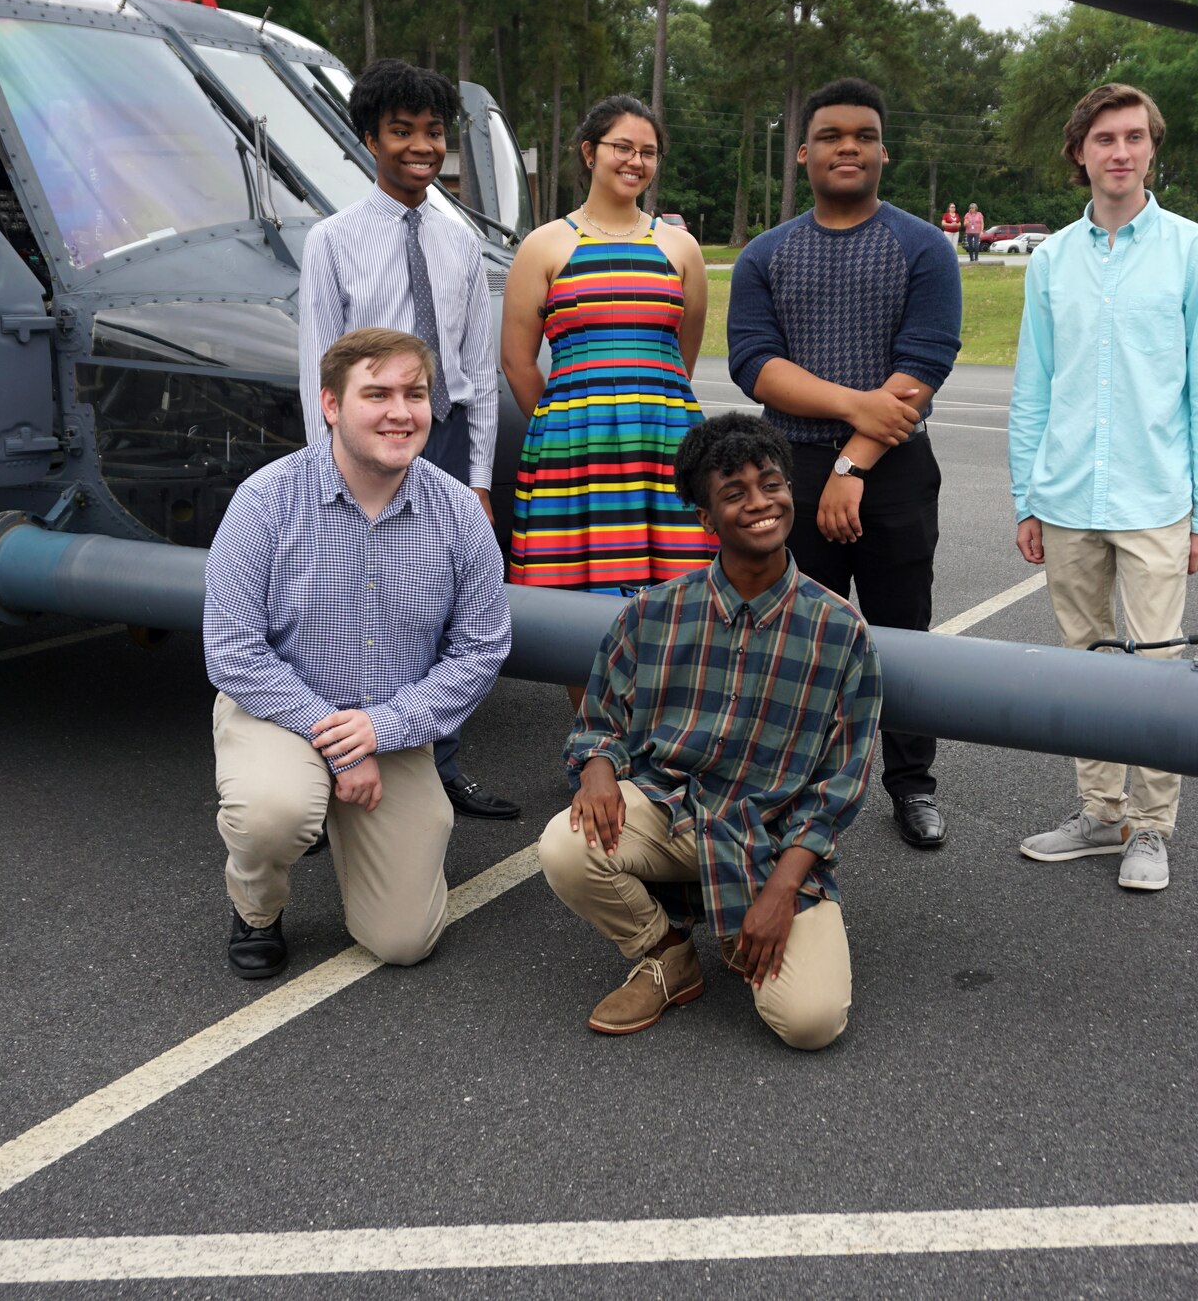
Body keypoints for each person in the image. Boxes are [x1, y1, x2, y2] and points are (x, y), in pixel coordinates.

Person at [539, 415, 879, 1050]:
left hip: (768, 840)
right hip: (671, 812)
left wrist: (780, 892)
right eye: (734, 493)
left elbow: (842, 783)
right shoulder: (651, 612)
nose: (759, 503)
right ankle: (667, 953)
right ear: (705, 518)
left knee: (810, 1023)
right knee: (567, 842)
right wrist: (596, 770)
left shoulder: (840, 629)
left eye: (770, 484)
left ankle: (743, 915)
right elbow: (599, 721)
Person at [205, 329, 512, 979]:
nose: (401, 411)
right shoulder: (265, 502)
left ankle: (344, 815)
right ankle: (257, 908)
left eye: (415, 393)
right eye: (377, 393)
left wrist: (383, 727)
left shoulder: (459, 513)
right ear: (332, 405)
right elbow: (232, 650)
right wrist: (345, 742)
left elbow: (482, 648)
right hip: (278, 709)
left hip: (392, 724)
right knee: (274, 812)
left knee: (404, 940)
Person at [1006, 82, 1198, 894]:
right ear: (1080, 151)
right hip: (1065, 496)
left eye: (1136, 136)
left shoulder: (1195, 252)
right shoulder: (1049, 262)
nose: (1122, 151)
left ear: (1151, 147)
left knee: (1160, 670)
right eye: (1105, 138)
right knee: (1084, 666)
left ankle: (1150, 827)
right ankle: (1099, 811)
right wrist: (1025, 494)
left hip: (1155, 499)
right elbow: (1034, 386)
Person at [727, 76, 962, 850]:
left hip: (892, 471)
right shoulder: (767, 254)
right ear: (804, 153)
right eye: (831, 136)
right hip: (784, 469)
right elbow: (755, 364)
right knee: (790, 632)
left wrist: (854, 462)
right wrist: (855, 406)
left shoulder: (924, 246)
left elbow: (924, 362)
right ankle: (791, 778)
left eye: (863, 135)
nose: (848, 146)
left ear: (883, 151)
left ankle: (912, 782)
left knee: (905, 632)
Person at [296, 58, 518, 821]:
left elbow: (476, 374)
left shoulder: (460, 242)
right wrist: (319, 476)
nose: (421, 146)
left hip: (446, 440)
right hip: (360, 445)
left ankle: (437, 766)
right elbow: (315, 368)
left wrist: (480, 480)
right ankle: (330, 764)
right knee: (351, 601)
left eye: (432, 132)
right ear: (369, 140)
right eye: (401, 131)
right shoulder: (331, 239)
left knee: (443, 609)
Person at [500, 95, 714, 627]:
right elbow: (517, 361)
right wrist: (566, 420)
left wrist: (647, 405)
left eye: (648, 151)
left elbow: (680, 358)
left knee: (677, 593)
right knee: (571, 597)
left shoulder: (680, 248)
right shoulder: (545, 245)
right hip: (572, 447)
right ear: (590, 152)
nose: (635, 161)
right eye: (623, 147)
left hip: (665, 441)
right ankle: (590, 716)